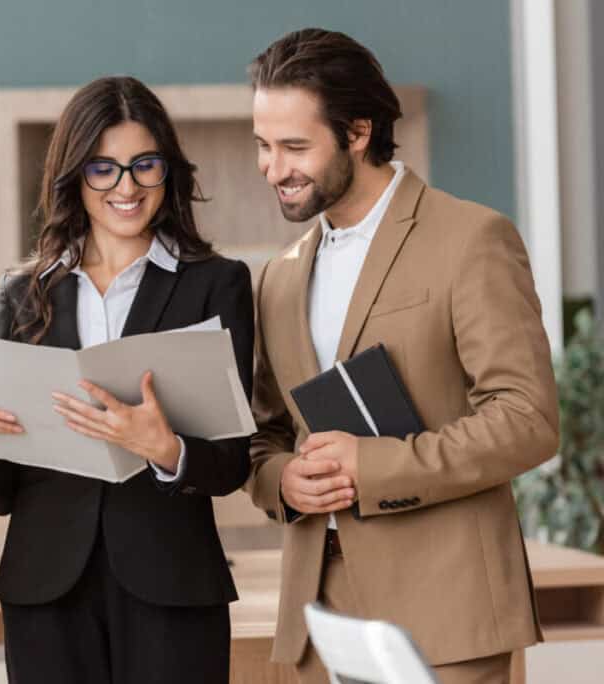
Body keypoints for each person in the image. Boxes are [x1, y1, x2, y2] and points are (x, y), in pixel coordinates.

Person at [245, 28, 559, 684]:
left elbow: (528, 419)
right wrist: (281, 481)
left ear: (358, 132)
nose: (274, 169)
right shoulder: (279, 275)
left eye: (295, 147)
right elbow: (265, 435)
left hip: (445, 609)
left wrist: (378, 465)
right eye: (263, 147)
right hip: (317, 615)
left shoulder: (471, 239)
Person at [0, 75, 254, 684]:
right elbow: (2, 494)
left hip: (171, 582)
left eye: (145, 165)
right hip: (45, 587)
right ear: (75, 177)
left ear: (168, 171)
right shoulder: (25, 291)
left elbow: (231, 463)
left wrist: (164, 450)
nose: (127, 187)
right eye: (103, 169)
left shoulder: (216, 284)